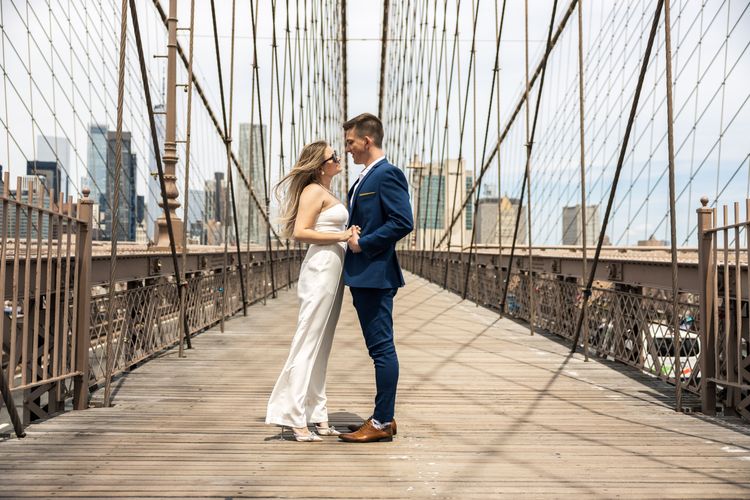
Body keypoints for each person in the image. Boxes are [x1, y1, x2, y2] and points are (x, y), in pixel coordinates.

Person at [265, 141, 357, 442]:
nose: (339, 158)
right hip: (320, 269)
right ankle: (293, 417)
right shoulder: (313, 191)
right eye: (334, 156)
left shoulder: (326, 192)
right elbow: (300, 231)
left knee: (322, 345)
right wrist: (341, 234)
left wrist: (347, 234)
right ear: (321, 165)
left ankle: (317, 415)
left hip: (333, 268)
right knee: (307, 342)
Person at [338, 113, 413, 443]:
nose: (348, 149)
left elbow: (402, 222)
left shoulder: (387, 175)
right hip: (365, 276)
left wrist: (362, 242)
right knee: (378, 348)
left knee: (382, 349)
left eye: (351, 142)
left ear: (367, 141)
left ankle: (382, 422)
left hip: (375, 275)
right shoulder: (364, 178)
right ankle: (383, 417)